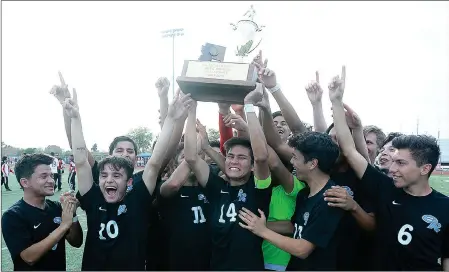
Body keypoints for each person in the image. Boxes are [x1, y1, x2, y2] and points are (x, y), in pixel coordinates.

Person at [329, 65, 449, 270]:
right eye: (393, 161)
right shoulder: (385, 187)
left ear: (425, 168)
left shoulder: (445, 208)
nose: (392, 168)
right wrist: (336, 102)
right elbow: (349, 149)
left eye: (401, 163)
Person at [63, 85, 194, 270]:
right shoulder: (93, 198)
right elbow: (81, 162)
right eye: (104, 175)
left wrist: (171, 119)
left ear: (129, 181)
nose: (109, 180)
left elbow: (155, 161)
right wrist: (75, 119)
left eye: (117, 175)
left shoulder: (138, 197)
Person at [184, 84, 273, 270]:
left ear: (251, 166)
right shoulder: (217, 187)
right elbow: (192, 157)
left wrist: (248, 106)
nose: (234, 161)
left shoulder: (259, 189)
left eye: (242, 158)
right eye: (230, 156)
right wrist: (191, 112)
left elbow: (262, 156)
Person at [239, 132, 345, 271]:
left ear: (313, 163)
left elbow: (302, 249)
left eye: (295, 157)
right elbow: (294, 228)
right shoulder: (304, 194)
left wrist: (262, 230)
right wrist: (259, 224)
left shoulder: (331, 200)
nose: (291, 162)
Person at [1, 154, 83, 270]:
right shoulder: (13, 216)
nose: (51, 180)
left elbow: (76, 242)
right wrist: (63, 226)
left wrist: (72, 214)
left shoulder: (56, 208)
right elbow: (29, 257)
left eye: (51, 175)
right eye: (44, 176)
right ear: (25, 182)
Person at [157, 142, 211, 271]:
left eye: (198, 157)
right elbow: (173, 184)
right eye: (184, 157)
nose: (192, 160)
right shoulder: (166, 189)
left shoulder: (212, 189)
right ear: (175, 165)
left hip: (210, 263)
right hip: (179, 263)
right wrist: (192, 155)